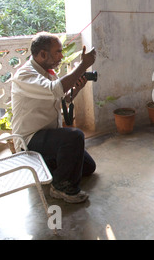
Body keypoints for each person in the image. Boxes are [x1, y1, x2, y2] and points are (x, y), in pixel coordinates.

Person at [11, 32, 97, 203]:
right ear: (43, 54)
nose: (61, 56)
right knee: (75, 137)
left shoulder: (48, 73)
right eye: (58, 52)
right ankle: (62, 188)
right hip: (30, 139)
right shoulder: (25, 75)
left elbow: (61, 98)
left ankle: (51, 167)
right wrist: (83, 65)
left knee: (89, 167)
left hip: (49, 135)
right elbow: (55, 90)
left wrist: (76, 90)